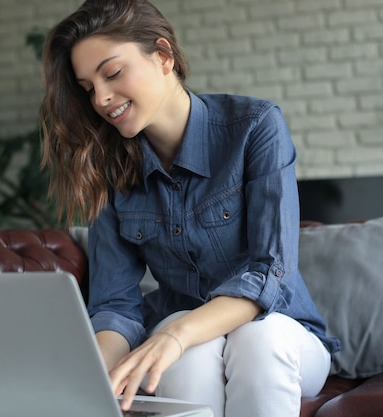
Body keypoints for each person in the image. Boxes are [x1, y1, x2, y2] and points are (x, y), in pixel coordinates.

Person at [39, 1, 340, 416]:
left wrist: (177, 333)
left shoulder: (255, 126)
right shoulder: (110, 169)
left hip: (285, 334)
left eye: (112, 73)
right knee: (184, 357)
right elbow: (115, 305)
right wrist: (89, 384)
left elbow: (268, 272)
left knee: (255, 339)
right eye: (88, 88)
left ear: (163, 56)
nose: (102, 99)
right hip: (188, 340)